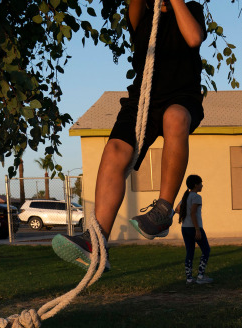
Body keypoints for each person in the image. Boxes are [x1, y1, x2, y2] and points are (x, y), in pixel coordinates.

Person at [52, 0, 206, 269]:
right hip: (143, 101)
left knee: (175, 118)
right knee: (114, 151)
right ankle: (96, 242)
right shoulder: (142, 16)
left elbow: (194, 38)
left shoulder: (190, 8)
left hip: (181, 97)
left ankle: (163, 211)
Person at [175, 175, 213, 284]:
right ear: (196, 185)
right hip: (194, 228)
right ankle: (201, 276)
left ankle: (189, 278)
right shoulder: (196, 197)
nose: (202, 185)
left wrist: (184, 213)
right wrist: (197, 229)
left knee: (190, 252)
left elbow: (177, 209)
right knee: (206, 250)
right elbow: (193, 213)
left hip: (185, 228)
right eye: (201, 183)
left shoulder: (186, 196)